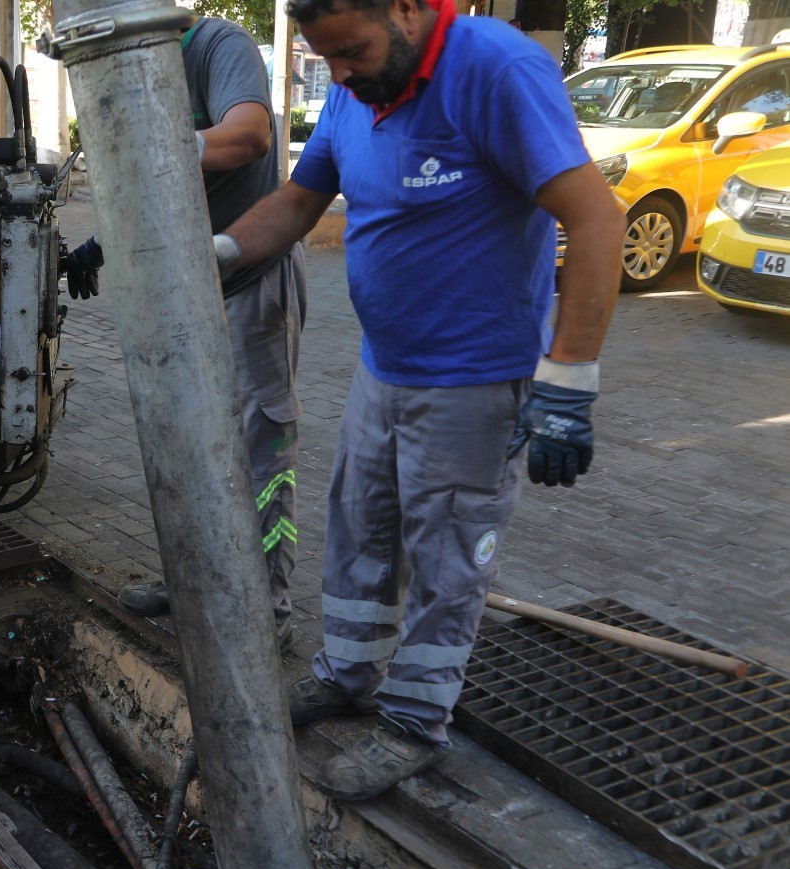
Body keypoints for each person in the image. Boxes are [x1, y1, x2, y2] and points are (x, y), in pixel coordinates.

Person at [211, 0, 620, 798]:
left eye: (350, 52)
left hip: (473, 382)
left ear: (405, 9)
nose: (337, 73)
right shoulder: (356, 86)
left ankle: (413, 722)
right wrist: (216, 251)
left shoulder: (496, 71)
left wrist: (568, 381)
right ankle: (348, 676)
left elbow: (597, 219)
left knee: (447, 557)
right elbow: (300, 202)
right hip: (383, 367)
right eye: (324, 58)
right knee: (359, 525)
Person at [63, 16, 306, 652]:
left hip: (251, 280)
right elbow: (158, 186)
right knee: (189, 444)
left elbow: (248, 137)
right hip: (184, 289)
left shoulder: (215, 47)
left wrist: (159, 143)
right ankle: (200, 580)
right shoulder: (124, 69)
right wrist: (98, 243)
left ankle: (269, 611)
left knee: (260, 450)